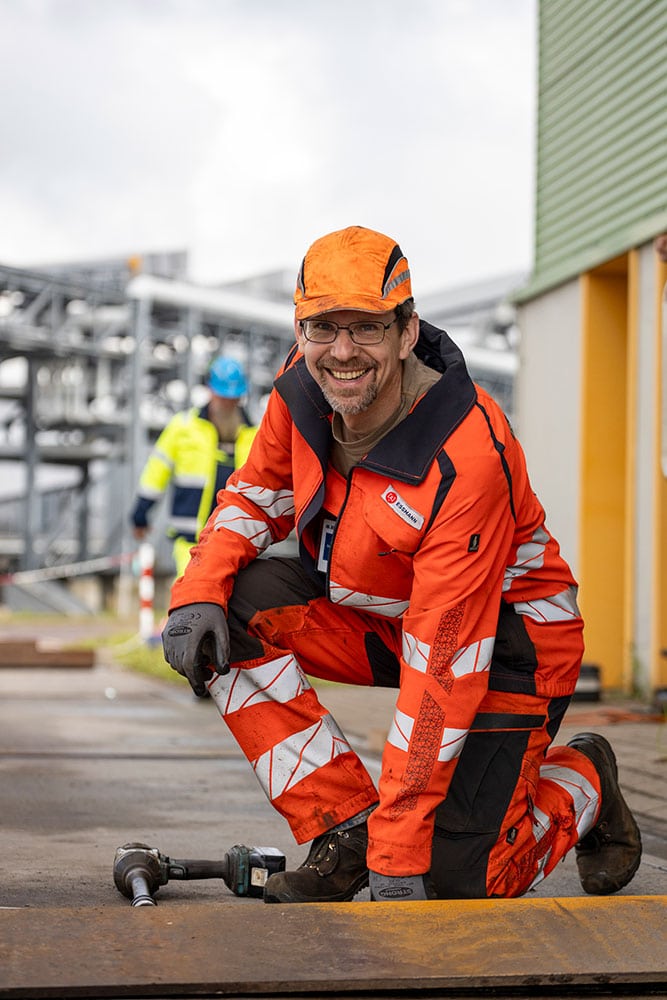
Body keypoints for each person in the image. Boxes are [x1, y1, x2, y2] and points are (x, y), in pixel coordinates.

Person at [161, 225, 642, 904]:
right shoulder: (300, 391)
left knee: (459, 884)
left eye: (366, 328)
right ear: (300, 331)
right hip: (389, 617)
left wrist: (402, 851)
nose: (343, 351)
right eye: (323, 327)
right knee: (232, 608)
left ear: (407, 331)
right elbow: (252, 495)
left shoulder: (465, 452)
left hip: (509, 647)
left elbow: (444, 667)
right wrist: (197, 590)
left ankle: (583, 779)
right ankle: (344, 826)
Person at [130, 356, 257, 579]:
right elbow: (155, 472)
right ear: (210, 390)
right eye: (223, 396)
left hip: (237, 541)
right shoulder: (183, 427)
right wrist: (141, 513)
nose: (228, 403)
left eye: (233, 398)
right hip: (189, 538)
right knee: (190, 601)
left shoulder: (255, 434)